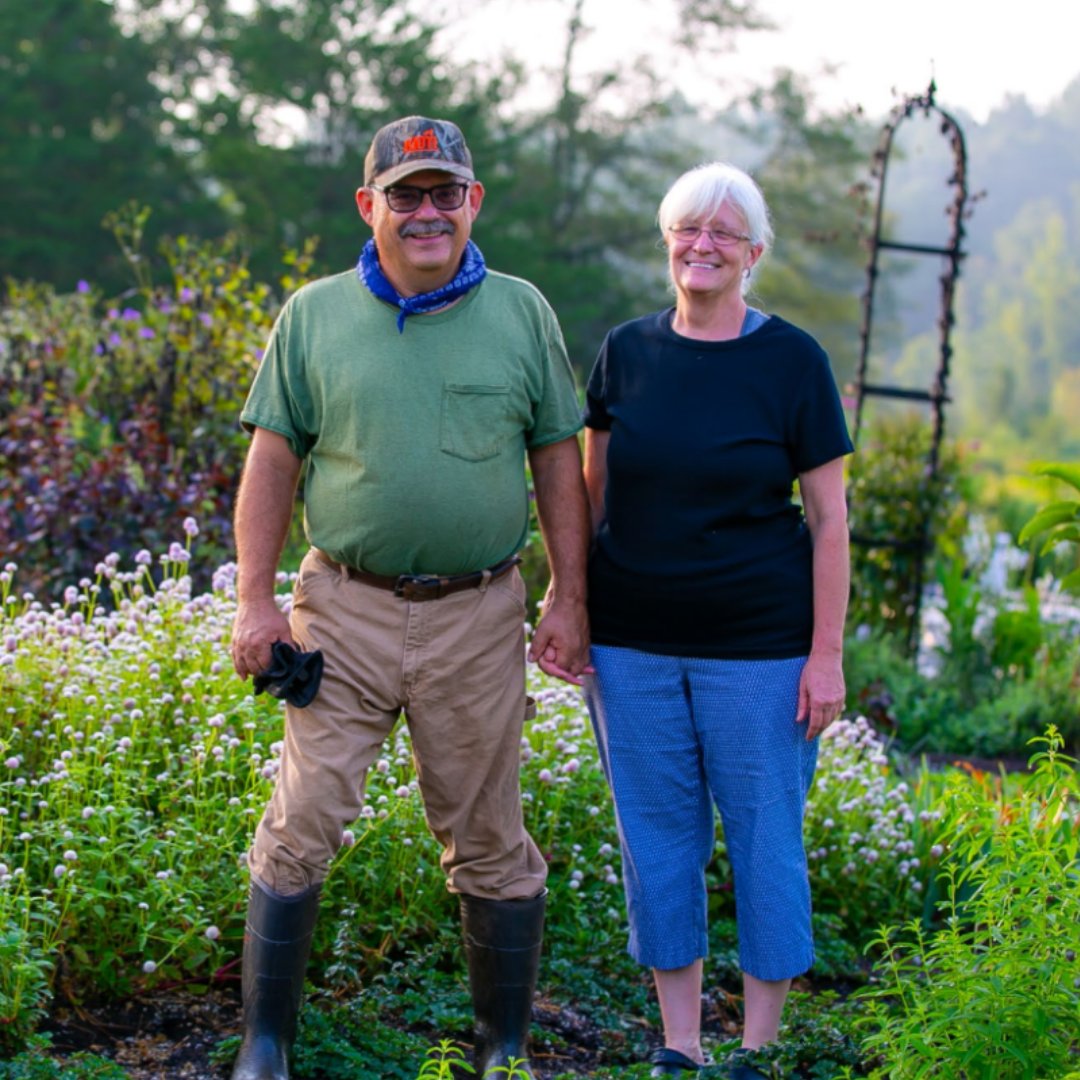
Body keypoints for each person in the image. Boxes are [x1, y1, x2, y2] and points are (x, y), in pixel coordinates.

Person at [227, 115, 591, 1080]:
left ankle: (500, 1048)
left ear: (473, 202)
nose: (426, 212)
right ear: (370, 206)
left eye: (445, 192)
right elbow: (272, 456)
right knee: (304, 820)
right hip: (341, 609)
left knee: (487, 833)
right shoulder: (313, 314)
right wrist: (255, 601)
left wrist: (568, 598)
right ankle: (267, 1045)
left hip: (479, 611)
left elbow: (559, 459)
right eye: (406, 194)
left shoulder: (523, 313)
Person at [581, 162, 853, 1079]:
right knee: (656, 839)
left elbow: (829, 522)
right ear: (669, 242)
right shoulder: (625, 352)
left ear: (754, 254)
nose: (703, 246)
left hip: (762, 652)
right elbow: (591, 494)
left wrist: (826, 656)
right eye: (688, 230)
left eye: (724, 235)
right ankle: (680, 1044)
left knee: (765, 836)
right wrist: (563, 604)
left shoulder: (793, 362)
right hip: (631, 645)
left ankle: (757, 1051)